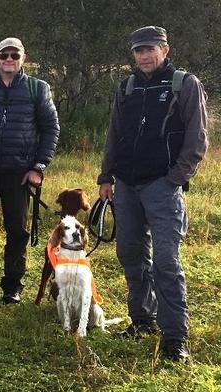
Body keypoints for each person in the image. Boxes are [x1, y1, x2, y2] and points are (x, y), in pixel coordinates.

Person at [98, 26, 207, 362]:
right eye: (138, 51)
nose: (144, 56)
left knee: (166, 263)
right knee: (131, 256)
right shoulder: (127, 87)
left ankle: (175, 340)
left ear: (165, 49)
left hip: (163, 187)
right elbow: (114, 133)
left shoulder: (184, 84)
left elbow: (197, 139)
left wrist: (175, 178)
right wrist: (106, 175)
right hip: (126, 187)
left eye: (150, 49)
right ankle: (142, 320)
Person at [0, 37, 60, 305]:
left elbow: (51, 129)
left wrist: (38, 167)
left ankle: (12, 287)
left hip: (20, 174)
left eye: (14, 55)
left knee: (17, 231)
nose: (9, 59)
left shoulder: (37, 88)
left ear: (23, 58)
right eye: (4, 55)